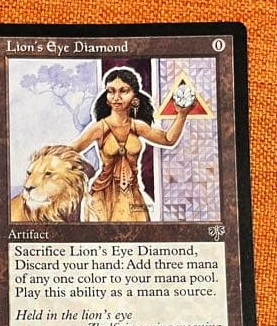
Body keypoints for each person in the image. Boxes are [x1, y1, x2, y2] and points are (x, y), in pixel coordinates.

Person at [69, 67, 195, 222]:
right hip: (102, 196)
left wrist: (182, 114)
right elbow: (70, 151)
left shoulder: (138, 126)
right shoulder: (99, 128)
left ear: (134, 96)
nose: (116, 97)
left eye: (123, 91)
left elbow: (168, 140)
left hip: (133, 194)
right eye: (111, 91)